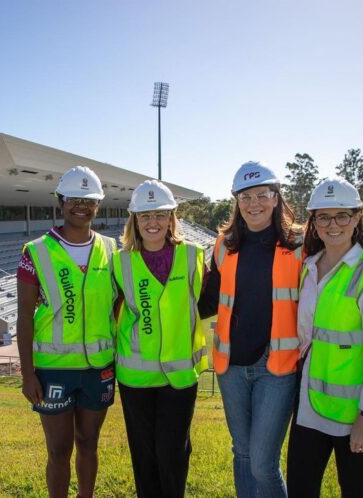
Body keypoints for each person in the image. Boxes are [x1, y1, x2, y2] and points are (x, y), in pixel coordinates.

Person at [286, 178, 363, 498]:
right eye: (323, 217)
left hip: (356, 415)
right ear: (314, 222)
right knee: (300, 489)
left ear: (357, 217)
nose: (332, 225)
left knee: (355, 490)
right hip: (310, 406)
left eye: (341, 216)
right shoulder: (307, 268)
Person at [198, 161, 303, 498]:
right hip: (231, 366)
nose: (254, 203)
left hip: (278, 367)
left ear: (276, 198)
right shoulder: (224, 244)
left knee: (262, 462)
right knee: (241, 453)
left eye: (262, 194)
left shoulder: (300, 243)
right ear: (236, 201)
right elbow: (211, 300)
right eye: (246, 196)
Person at [17, 166, 117, 498]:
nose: (81, 206)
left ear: (98, 205)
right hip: (52, 371)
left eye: (89, 201)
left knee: (89, 443)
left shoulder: (111, 249)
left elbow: (118, 306)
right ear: (60, 202)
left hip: (98, 368)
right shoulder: (36, 251)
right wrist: (27, 374)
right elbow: (24, 318)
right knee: (59, 450)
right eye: (73, 199)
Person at [112, 179, 208, 498]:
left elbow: (203, 303)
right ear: (134, 221)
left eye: (159, 215)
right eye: (144, 216)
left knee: (172, 453)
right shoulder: (120, 261)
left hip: (179, 376)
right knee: (145, 457)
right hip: (136, 377)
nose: (152, 222)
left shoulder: (194, 256)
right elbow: (112, 312)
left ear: (171, 218)